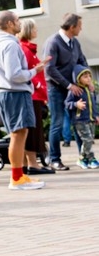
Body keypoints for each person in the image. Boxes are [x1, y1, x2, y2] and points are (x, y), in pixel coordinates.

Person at [0, 10, 48, 191]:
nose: (20, 23)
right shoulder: (11, 45)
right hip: (14, 92)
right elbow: (14, 74)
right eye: (18, 20)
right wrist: (34, 71)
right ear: (10, 24)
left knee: (17, 134)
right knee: (18, 134)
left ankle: (19, 175)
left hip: (3, 92)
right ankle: (17, 177)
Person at [44, 13, 86, 170]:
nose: (81, 29)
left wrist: (86, 78)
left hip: (74, 88)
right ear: (72, 27)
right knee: (57, 123)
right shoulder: (53, 42)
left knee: (79, 122)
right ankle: (54, 159)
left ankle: (85, 157)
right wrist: (68, 85)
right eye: (79, 26)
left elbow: (82, 60)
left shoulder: (75, 42)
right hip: (57, 89)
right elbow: (49, 69)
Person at [18, 19, 54, 176]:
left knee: (31, 130)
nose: (36, 32)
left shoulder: (27, 49)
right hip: (32, 95)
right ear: (28, 30)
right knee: (33, 130)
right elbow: (29, 73)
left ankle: (27, 164)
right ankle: (33, 164)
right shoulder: (25, 50)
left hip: (34, 94)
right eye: (35, 29)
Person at [65, 67, 99, 169]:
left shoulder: (90, 89)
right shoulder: (75, 90)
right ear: (78, 78)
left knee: (89, 139)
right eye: (85, 77)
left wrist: (96, 115)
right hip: (80, 120)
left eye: (89, 76)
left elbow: (93, 104)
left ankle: (89, 158)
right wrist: (76, 104)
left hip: (90, 119)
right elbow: (67, 103)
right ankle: (82, 159)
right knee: (87, 139)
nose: (88, 78)